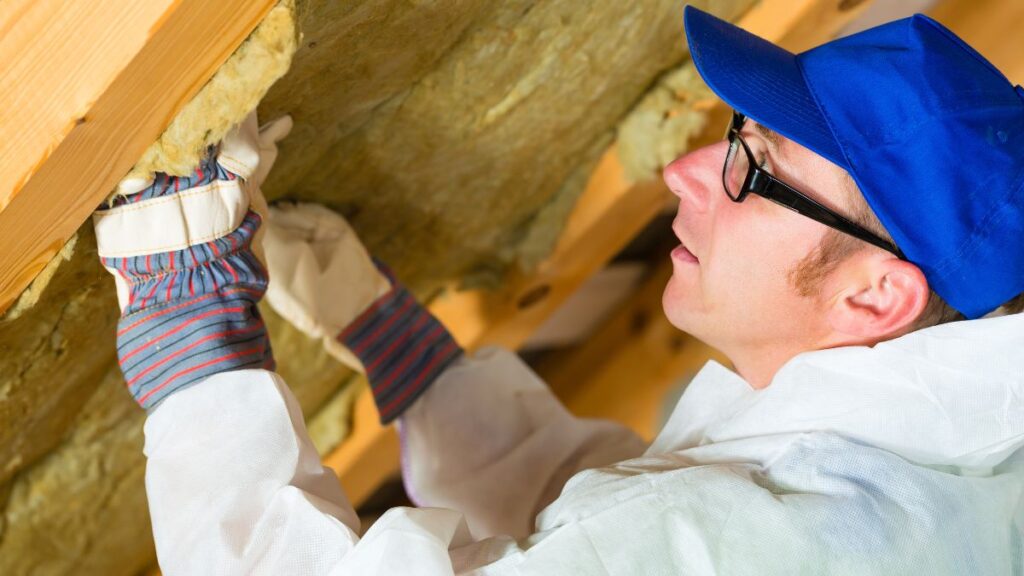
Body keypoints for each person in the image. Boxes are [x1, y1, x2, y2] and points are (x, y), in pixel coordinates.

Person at [91, 6, 1024, 575]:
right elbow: (611, 521)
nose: (686, 173)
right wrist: (400, 350)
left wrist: (194, 332)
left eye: (754, 168)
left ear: (873, 298)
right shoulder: (928, 463)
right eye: (735, 131)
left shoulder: (793, 543)